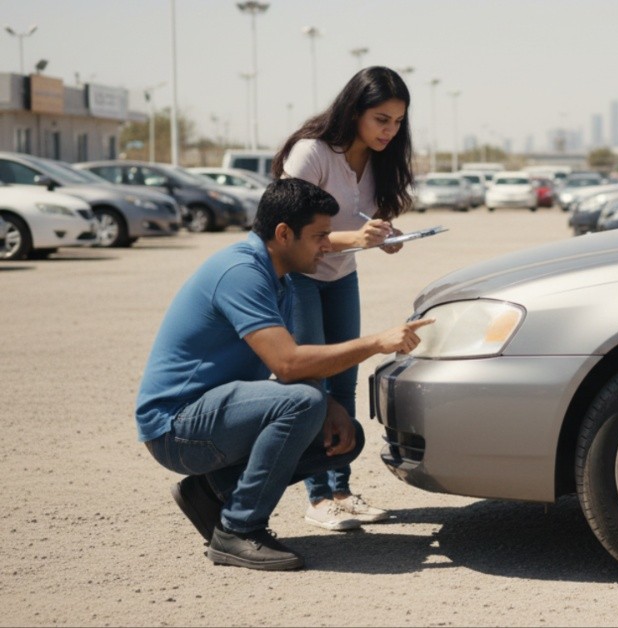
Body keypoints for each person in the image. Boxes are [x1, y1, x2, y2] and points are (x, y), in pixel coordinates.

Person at [136, 178, 432, 571]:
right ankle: (238, 529)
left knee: (344, 437)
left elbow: (298, 366)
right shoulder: (241, 272)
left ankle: (211, 491)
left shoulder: (280, 278)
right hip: (176, 429)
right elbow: (287, 364)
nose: (327, 245)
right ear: (283, 234)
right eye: (320, 236)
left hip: (211, 416)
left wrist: (330, 405)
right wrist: (377, 342)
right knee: (303, 403)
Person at [272, 66, 416, 531]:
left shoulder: (379, 160)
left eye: (397, 122)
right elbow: (289, 231)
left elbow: (359, 223)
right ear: (354, 111)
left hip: (341, 277)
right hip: (299, 278)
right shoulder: (312, 152)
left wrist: (383, 236)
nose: (389, 131)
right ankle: (317, 498)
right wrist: (356, 239)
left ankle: (341, 491)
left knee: (345, 382)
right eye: (381, 119)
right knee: (312, 383)